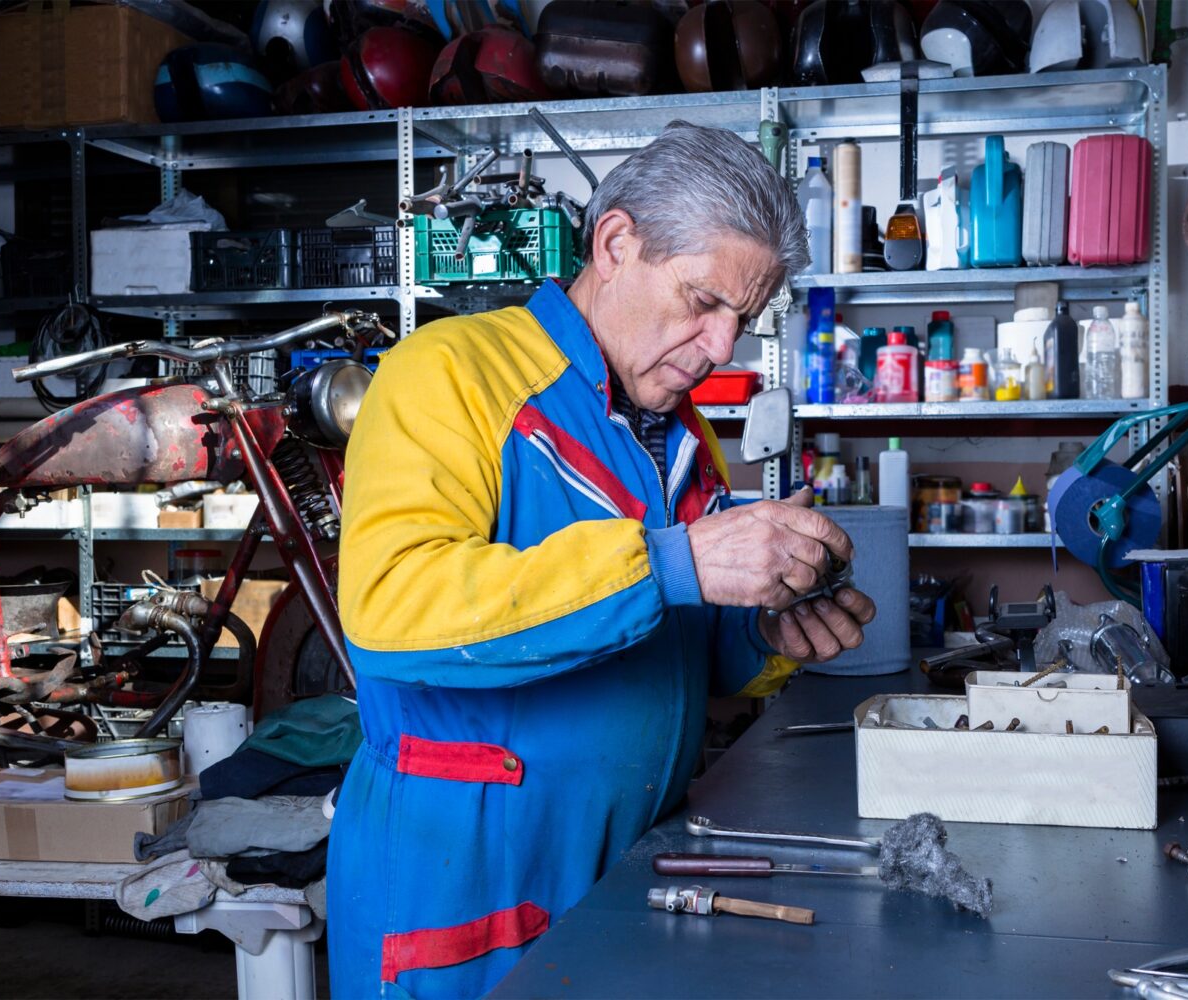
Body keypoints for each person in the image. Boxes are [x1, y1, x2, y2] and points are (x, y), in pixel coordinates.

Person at [328, 121, 877, 997]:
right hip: (468, 875)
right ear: (616, 244)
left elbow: (682, 653)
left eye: (743, 320)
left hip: (632, 861)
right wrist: (670, 564)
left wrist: (768, 632)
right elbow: (392, 610)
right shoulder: (448, 375)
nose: (723, 348)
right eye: (703, 301)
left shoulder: (683, 436)